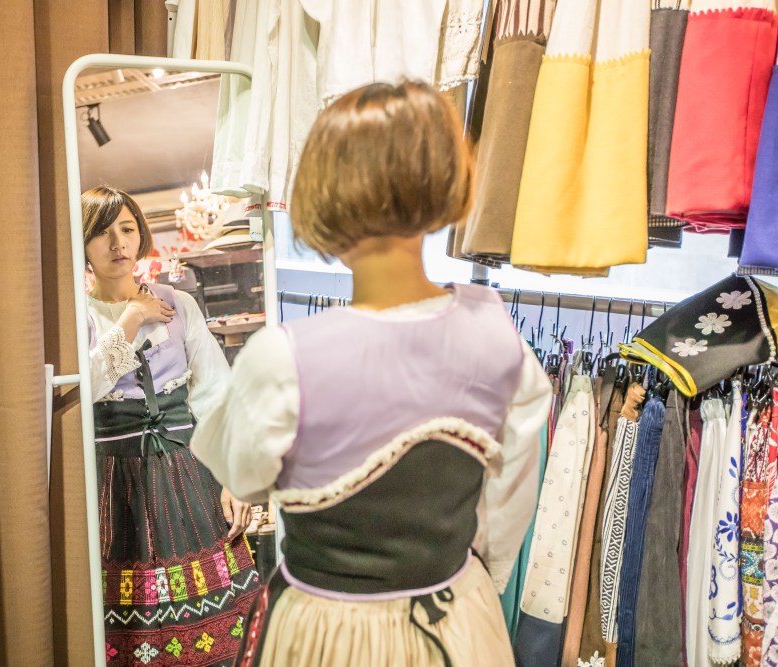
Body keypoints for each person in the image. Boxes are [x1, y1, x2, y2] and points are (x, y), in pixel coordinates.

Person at [190, 82, 552, 666]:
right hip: (456, 618)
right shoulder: (501, 341)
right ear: (445, 181)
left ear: (323, 194)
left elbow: (242, 474)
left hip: (325, 630)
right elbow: (508, 505)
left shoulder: (282, 359)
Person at [82, 185, 260, 665]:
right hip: (116, 485)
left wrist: (235, 476)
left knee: (222, 625)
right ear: (83, 245)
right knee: (130, 629)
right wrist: (133, 316)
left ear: (140, 235)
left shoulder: (179, 304)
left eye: (126, 229)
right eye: (102, 233)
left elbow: (217, 394)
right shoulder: (82, 317)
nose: (117, 243)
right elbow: (89, 385)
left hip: (188, 474)